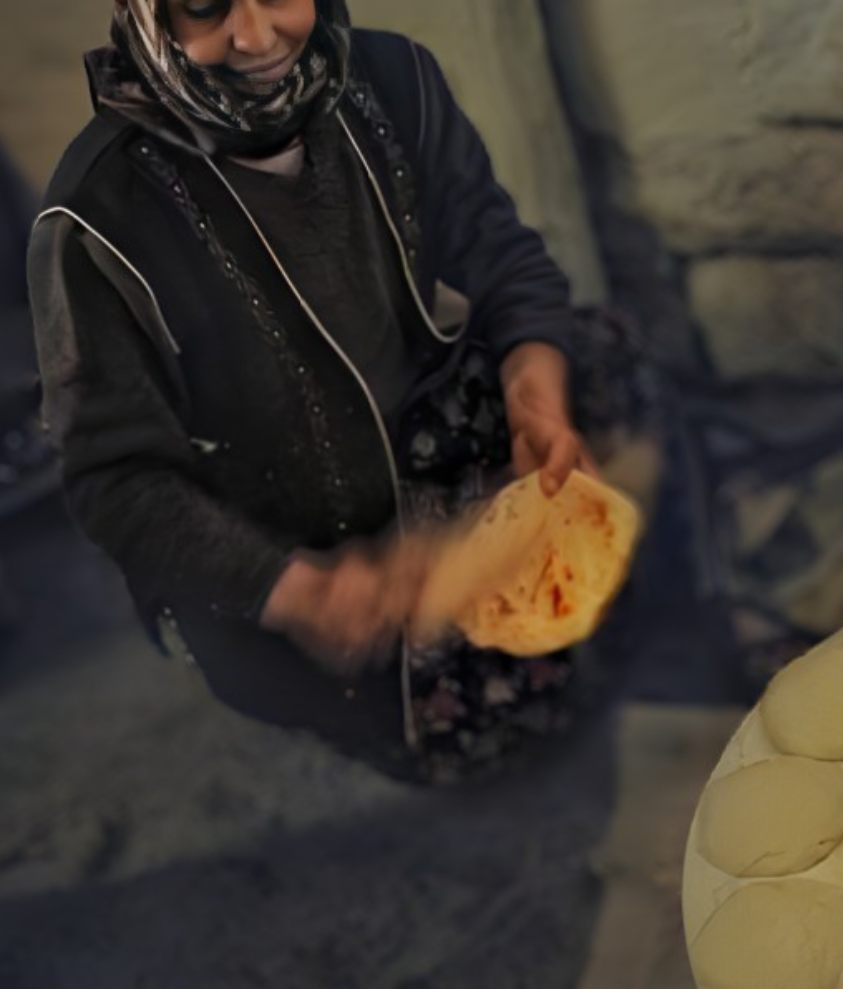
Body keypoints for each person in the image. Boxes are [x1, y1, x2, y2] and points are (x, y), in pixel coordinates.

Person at [30, 0, 636, 783]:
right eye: (204, 8)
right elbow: (118, 484)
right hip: (295, 539)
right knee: (491, 733)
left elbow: (502, 253)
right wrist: (296, 591)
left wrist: (534, 397)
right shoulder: (95, 223)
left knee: (612, 363)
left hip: (424, 430)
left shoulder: (394, 80)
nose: (256, 38)